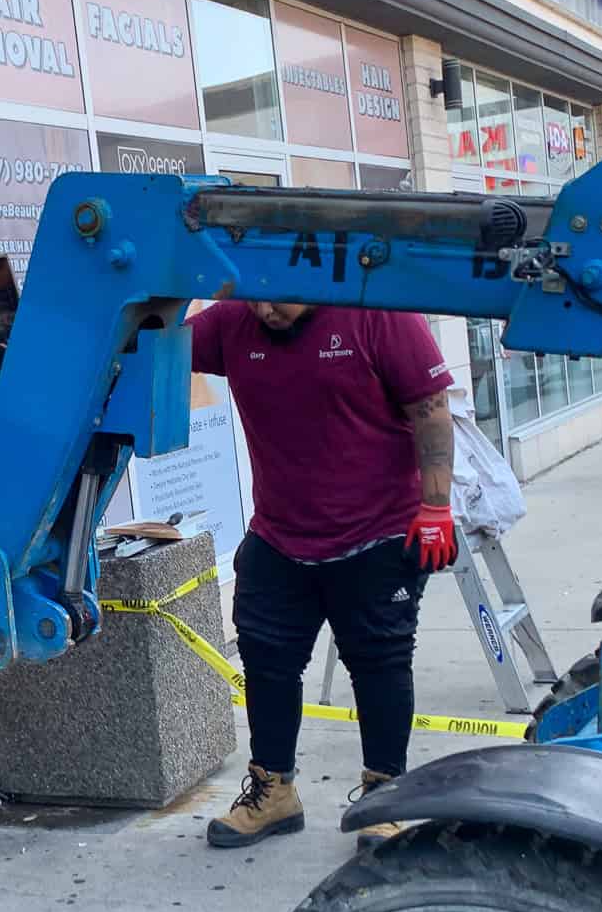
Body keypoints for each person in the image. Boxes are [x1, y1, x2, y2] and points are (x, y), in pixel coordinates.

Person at [190, 299, 457, 847]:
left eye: (279, 296)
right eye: (256, 294)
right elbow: (155, 342)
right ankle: (274, 793)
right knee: (266, 659)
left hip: (378, 531)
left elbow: (430, 408)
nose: (266, 310)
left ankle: (386, 796)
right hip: (280, 533)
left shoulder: (378, 311)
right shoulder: (233, 320)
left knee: (379, 663)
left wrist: (436, 507)